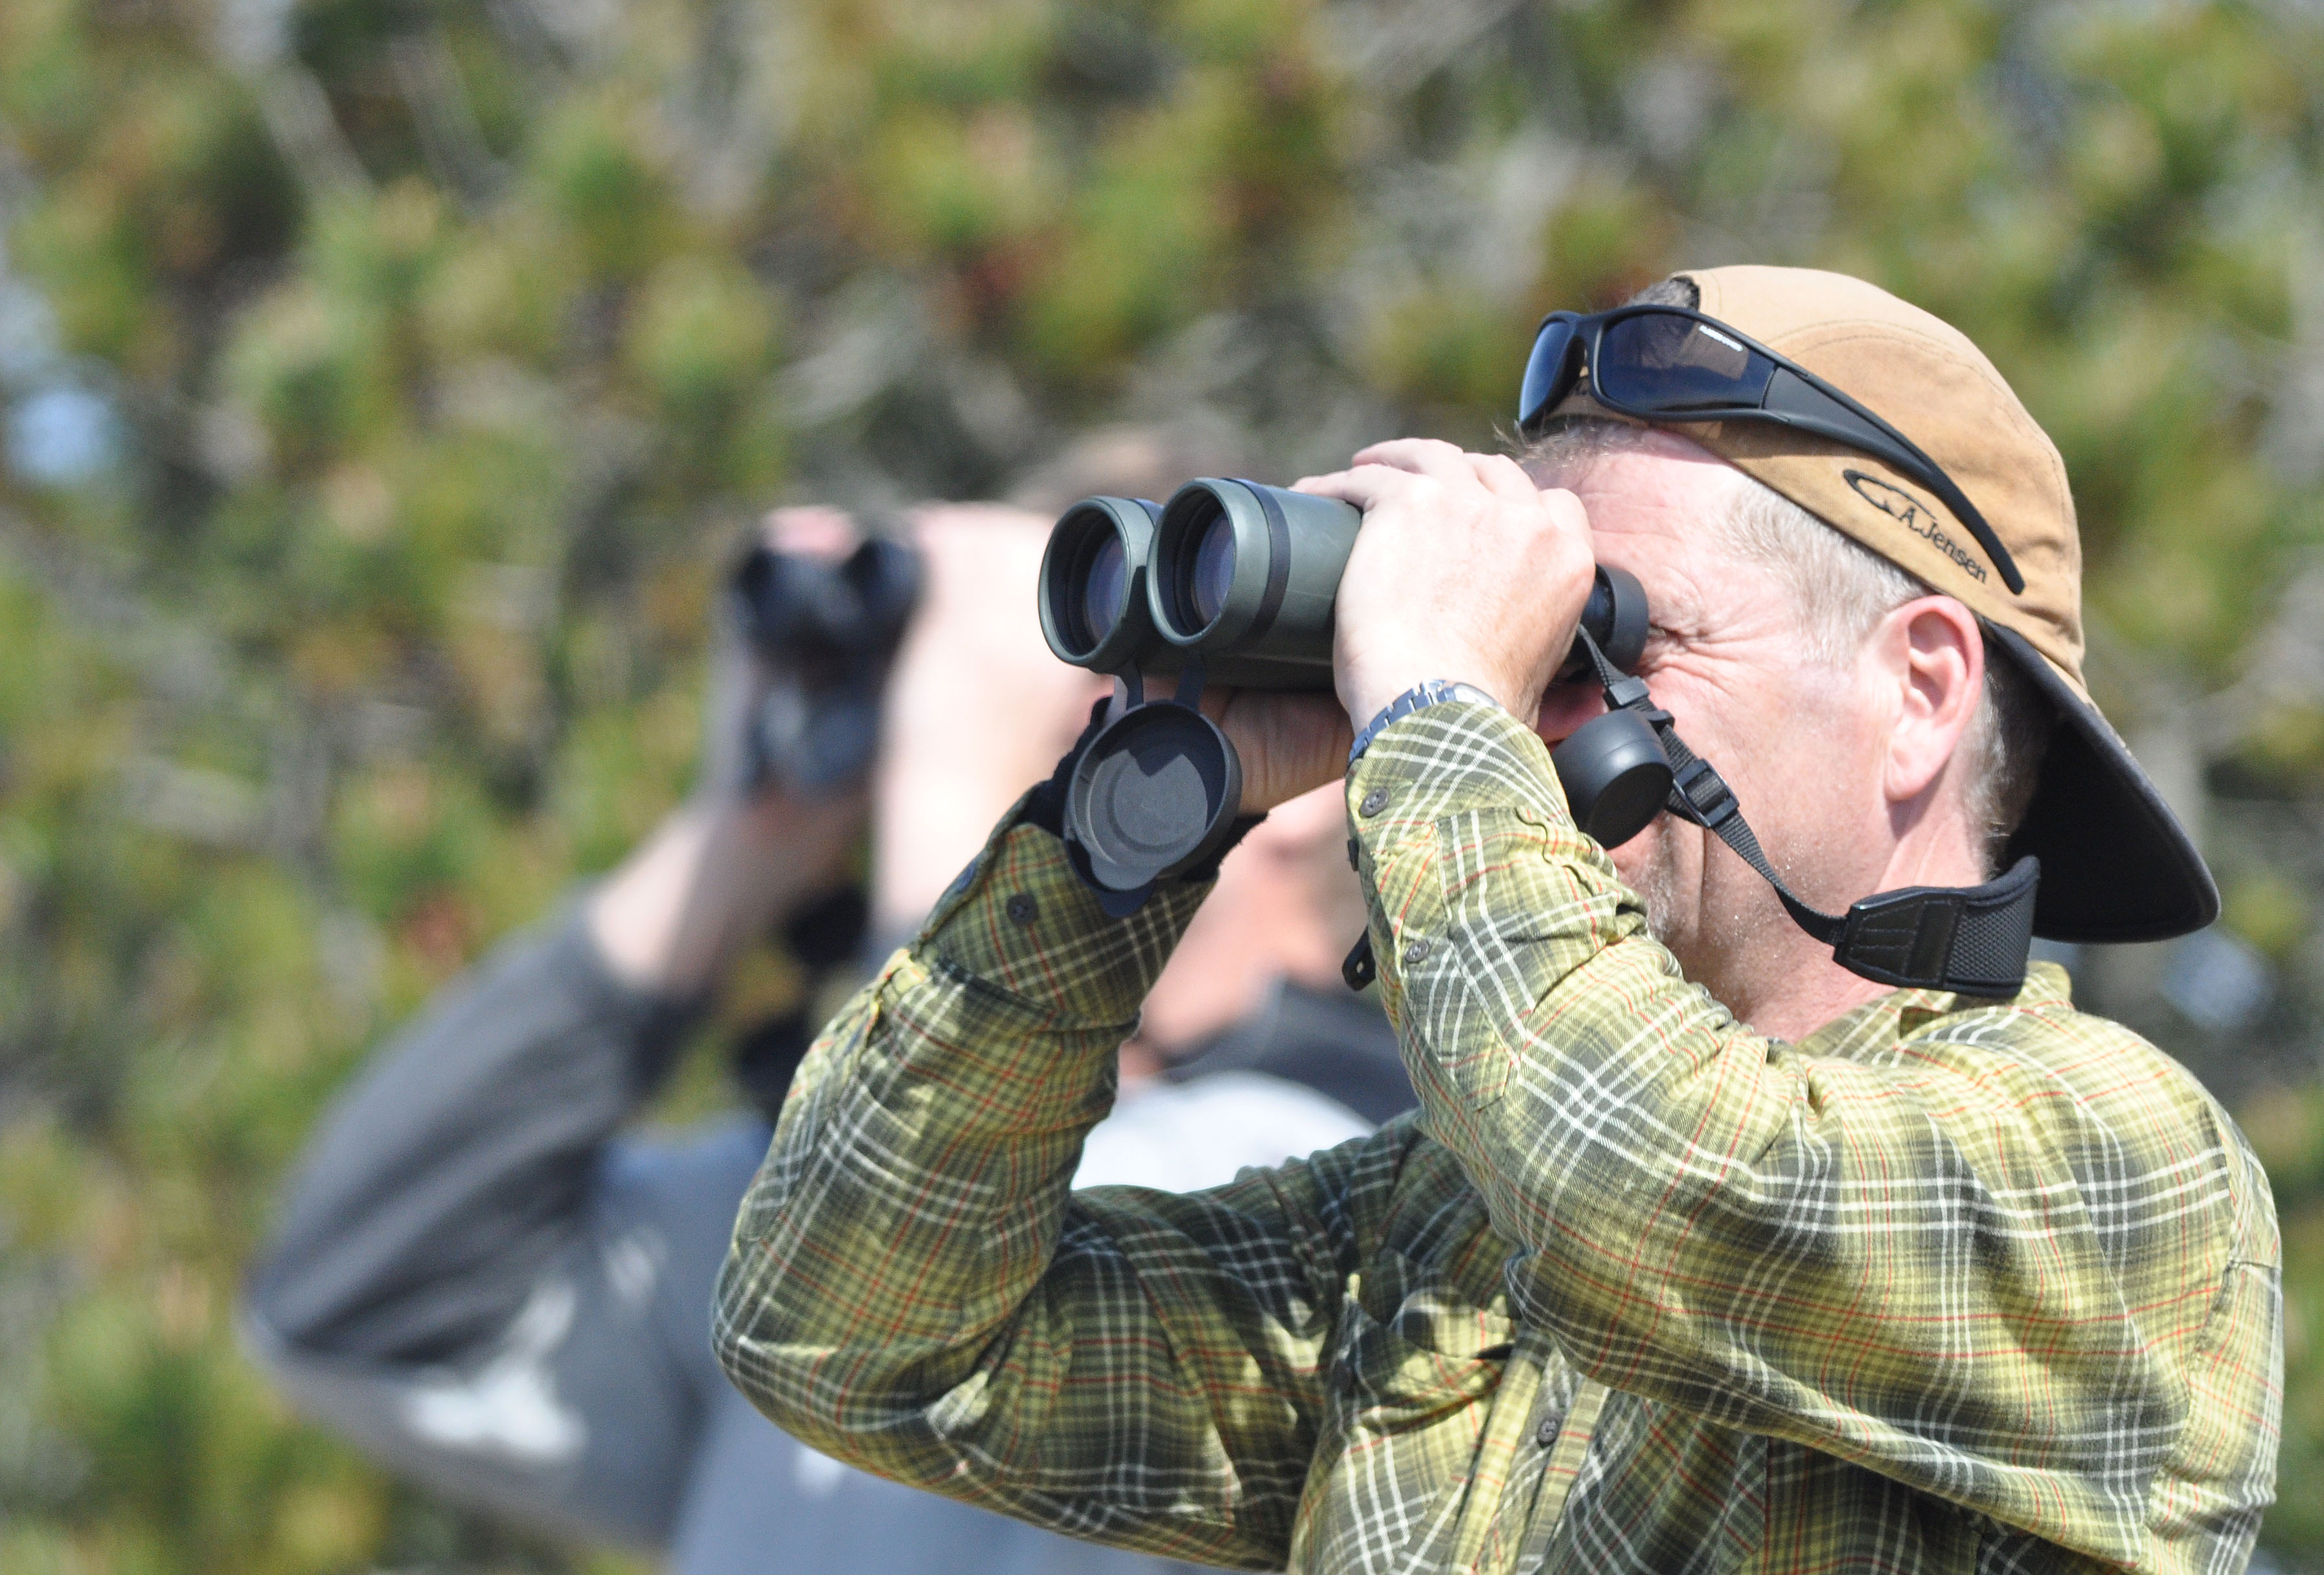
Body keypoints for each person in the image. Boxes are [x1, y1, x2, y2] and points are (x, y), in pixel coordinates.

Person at [713, 267, 2282, 1574]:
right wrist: (1129, 831)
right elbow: (856, 1336)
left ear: (1920, 691)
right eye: (1533, 636)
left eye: (1613, 633)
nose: (1535, 702)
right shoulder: (1435, 1232)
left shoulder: (2122, 1164)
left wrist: (1435, 691)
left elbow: (1660, 1176)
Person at [242, 488, 1409, 1573]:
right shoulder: (814, 1209)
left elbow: (908, 1259)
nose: (930, 731)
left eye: (1089, 687)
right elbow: (361, 1304)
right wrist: (748, 830)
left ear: (1293, 770)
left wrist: (962, 799)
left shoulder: (1335, 1196)